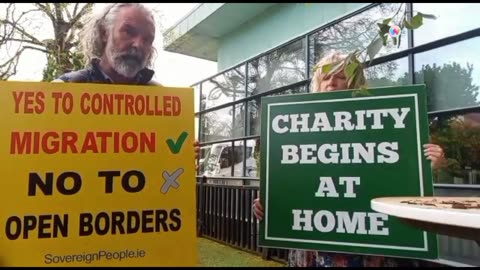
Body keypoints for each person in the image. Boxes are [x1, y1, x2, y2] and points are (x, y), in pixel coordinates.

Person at [252, 51, 445, 267]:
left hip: (368, 251)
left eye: (340, 76)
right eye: (325, 77)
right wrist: (268, 205)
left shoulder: (384, 124)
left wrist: (429, 167)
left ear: (355, 81)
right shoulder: (292, 130)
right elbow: (289, 185)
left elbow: (403, 180)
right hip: (312, 250)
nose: (332, 83)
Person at [52, 3, 199, 158]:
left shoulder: (162, 101)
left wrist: (186, 154)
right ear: (104, 32)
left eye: (147, 39)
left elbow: (171, 154)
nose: (138, 45)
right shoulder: (64, 90)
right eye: (128, 31)